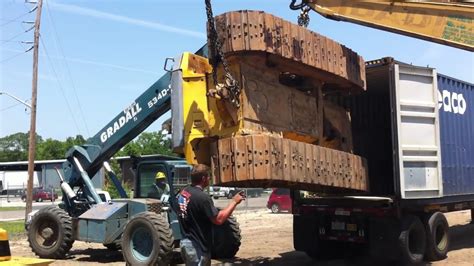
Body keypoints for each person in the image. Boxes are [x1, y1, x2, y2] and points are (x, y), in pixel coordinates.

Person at [177, 164, 245, 266]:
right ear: (203, 178)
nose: (209, 179)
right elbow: (218, 219)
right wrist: (234, 202)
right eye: (209, 176)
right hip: (197, 247)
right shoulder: (202, 197)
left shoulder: (184, 193)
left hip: (186, 244)